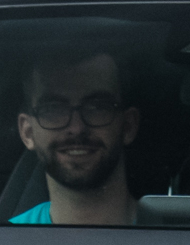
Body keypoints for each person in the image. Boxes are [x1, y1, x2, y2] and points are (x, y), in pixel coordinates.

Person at [10, 52, 140, 225]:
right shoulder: (0, 243)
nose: (77, 128)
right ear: (27, 132)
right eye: (54, 109)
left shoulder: (175, 238)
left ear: (128, 126)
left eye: (96, 107)